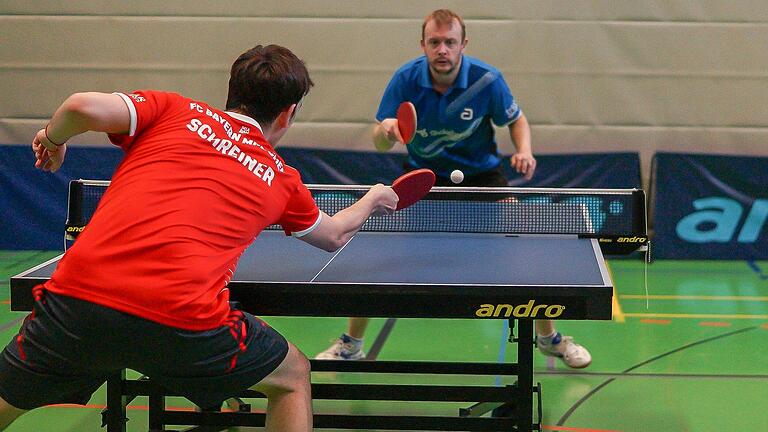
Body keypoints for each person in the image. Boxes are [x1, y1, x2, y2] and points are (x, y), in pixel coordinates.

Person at [0, 45, 399, 432]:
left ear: (232, 91)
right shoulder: (280, 176)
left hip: (77, 303)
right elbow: (333, 236)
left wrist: (52, 140)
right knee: (293, 374)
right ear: (288, 113)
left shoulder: (174, 109)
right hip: (180, 321)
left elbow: (79, 107)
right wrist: (373, 198)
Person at [316, 9, 591, 369]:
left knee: (522, 249)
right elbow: (382, 142)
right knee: (378, 256)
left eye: (449, 42)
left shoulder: (486, 80)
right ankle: (352, 343)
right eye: (434, 42)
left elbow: (516, 119)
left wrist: (524, 150)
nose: (442, 49)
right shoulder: (405, 79)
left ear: (463, 44)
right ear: (423, 45)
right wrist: (385, 132)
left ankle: (549, 338)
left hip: (482, 178)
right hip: (421, 179)